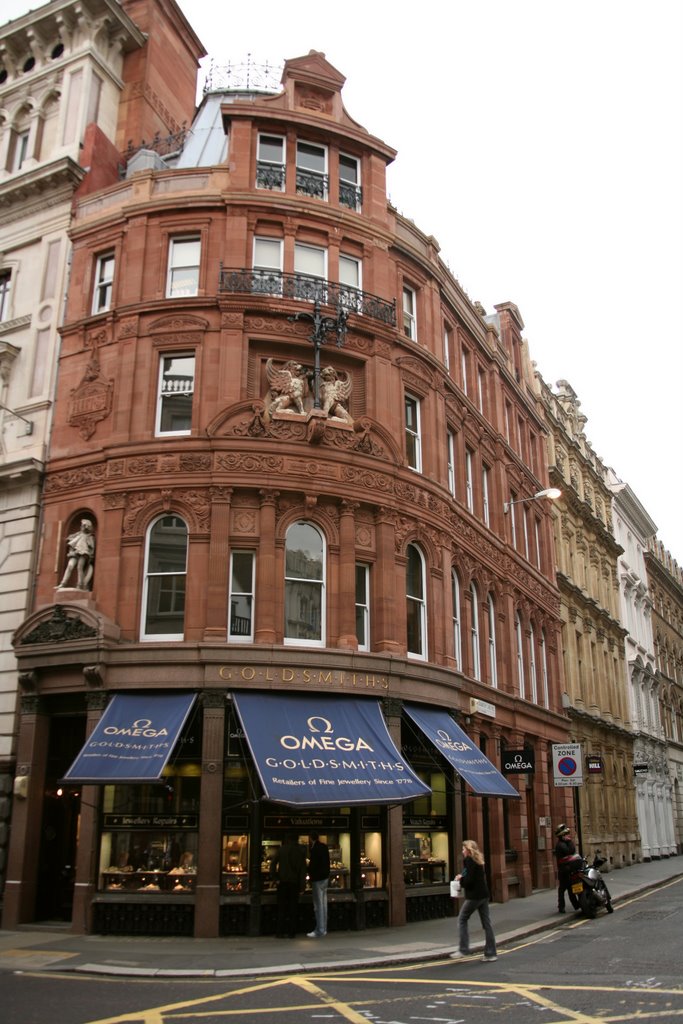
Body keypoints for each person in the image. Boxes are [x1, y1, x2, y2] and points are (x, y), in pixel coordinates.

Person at [449, 839, 497, 962]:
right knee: (487, 924)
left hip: (474, 897)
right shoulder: (478, 860)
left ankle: (464, 950)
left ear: (469, 850)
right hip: (484, 895)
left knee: (462, 919)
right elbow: (473, 877)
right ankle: (491, 953)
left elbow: (469, 881)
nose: (462, 851)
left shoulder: (469, 860)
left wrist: (460, 880)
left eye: (464, 848)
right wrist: (463, 876)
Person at [272, 833, 307, 938]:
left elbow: (273, 864)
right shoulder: (300, 852)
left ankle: (279, 932)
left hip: (282, 883)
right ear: (297, 840)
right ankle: (291, 932)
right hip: (294, 884)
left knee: (281, 908)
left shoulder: (281, 850)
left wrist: (275, 878)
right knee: (293, 908)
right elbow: (302, 871)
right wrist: (302, 886)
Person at [57, 518, 95, 590]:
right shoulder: (78, 534)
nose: (81, 527)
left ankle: (80, 585)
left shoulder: (90, 536)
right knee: (70, 566)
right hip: (75, 552)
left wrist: (91, 556)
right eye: (81, 525)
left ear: (86, 527)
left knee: (79, 567)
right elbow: (70, 539)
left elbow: (92, 547)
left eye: (83, 525)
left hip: (84, 553)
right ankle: (63, 583)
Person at [306, 831, 331, 938]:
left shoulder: (314, 849)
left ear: (311, 838)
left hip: (317, 879)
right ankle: (324, 928)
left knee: (318, 905)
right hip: (325, 878)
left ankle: (319, 930)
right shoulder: (324, 847)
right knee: (324, 904)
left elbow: (313, 865)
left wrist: (308, 869)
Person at [554, 823, 580, 913]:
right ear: (562, 836)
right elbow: (569, 851)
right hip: (564, 870)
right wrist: (569, 842)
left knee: (569, 888)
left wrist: (569, 842)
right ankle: (563, 906)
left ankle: (573, 905)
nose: (568, 836)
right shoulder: (561, 845)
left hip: (568, 869)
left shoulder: (564, 843)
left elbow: (573, 851)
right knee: (564, 889)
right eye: (566, 834)